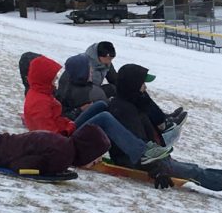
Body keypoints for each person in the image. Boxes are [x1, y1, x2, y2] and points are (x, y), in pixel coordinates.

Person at [107, 63, 222, 193]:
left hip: (155, 157)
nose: (145, 89)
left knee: (194, 169)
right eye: (142, 84)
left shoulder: (131, 102)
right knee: (194, 173)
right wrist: (157, 170)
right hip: (140, 163)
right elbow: (136, 148)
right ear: (132, 86)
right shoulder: (124, 111)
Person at [22, 55, 168, 166]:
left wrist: (70, 123)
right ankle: (140, 152)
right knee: (104, 118)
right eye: (52, 80)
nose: (55, 82)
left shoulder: (41, 92)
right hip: (63, 142)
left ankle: (128, 141)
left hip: (67, 129)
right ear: (43, 78)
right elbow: (49, 136)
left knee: (101, 105)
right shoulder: (38, 102)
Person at [86, 41, 187, 133]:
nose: (109, 62)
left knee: (137, 89)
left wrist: (129, 86)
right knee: (131, 95)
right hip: (92, 95)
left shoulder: (105, 62)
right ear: (100, 56)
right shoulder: (87, 65)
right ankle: (160, 123)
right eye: (109, 59)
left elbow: (114, 78)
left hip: (100, 91)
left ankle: (163, 118)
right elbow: (85, 89)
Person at [56, 54, 105, 120]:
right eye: (89, 68)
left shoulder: (65, 81)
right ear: (83, 71)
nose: (92, 71)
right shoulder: (92, 93)